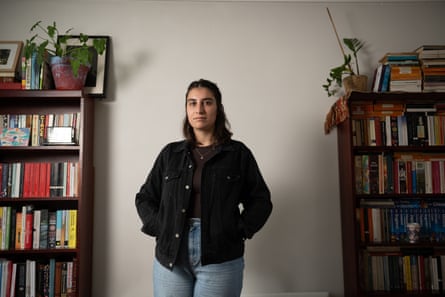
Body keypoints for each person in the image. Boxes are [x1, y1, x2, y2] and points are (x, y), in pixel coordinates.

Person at [135, 78, 272, 297]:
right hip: (171, 259)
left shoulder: (237, 154)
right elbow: (145, 198)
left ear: (218, 108)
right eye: (192, 103)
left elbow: (261, 200)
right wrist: (162, 227)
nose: (199, 109)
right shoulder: (170, 154)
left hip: (221, 257)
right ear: (186, 110)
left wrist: (238, 230)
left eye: (207, 102)